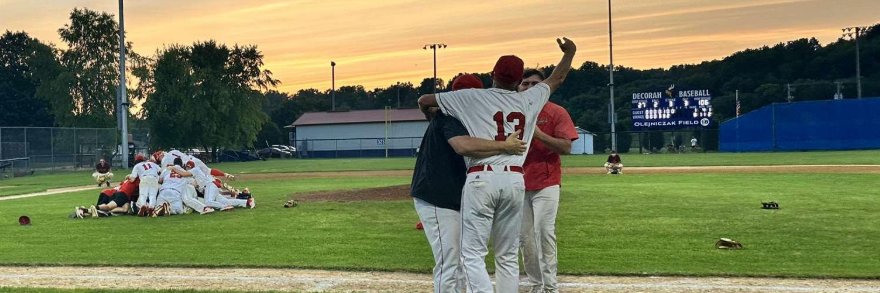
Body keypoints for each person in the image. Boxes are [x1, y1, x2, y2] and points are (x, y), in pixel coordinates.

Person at [418, 37, 576, 293]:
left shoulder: (472, 97)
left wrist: (432, 115)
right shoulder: (530, 99)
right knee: (507, 255)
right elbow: (556, 79)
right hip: (515, 179)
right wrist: (570, 53)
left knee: (472, 254)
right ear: (518, 81)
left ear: (493, 74)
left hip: (482, 176)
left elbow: (425, 100)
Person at [411, 74, 526, 293]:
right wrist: (505, 146)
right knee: (450, 261)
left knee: (465, 260)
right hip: (438, 197)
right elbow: (462, 146)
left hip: (459, 196)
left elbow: (425, 104)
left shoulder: (471, 116)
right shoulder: (450, 116)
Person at [519, 69, 579, 293]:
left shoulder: (555, 112)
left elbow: (566, 147)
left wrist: (539, 134)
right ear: (518, 87)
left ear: (544, 86)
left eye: (535, 83)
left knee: (544, 232)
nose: (529, 88)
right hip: (517, 182)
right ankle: (536, 285)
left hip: (547, 180)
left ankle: (550, 287)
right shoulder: (510, 111)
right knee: (525, 239)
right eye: (524, 84)